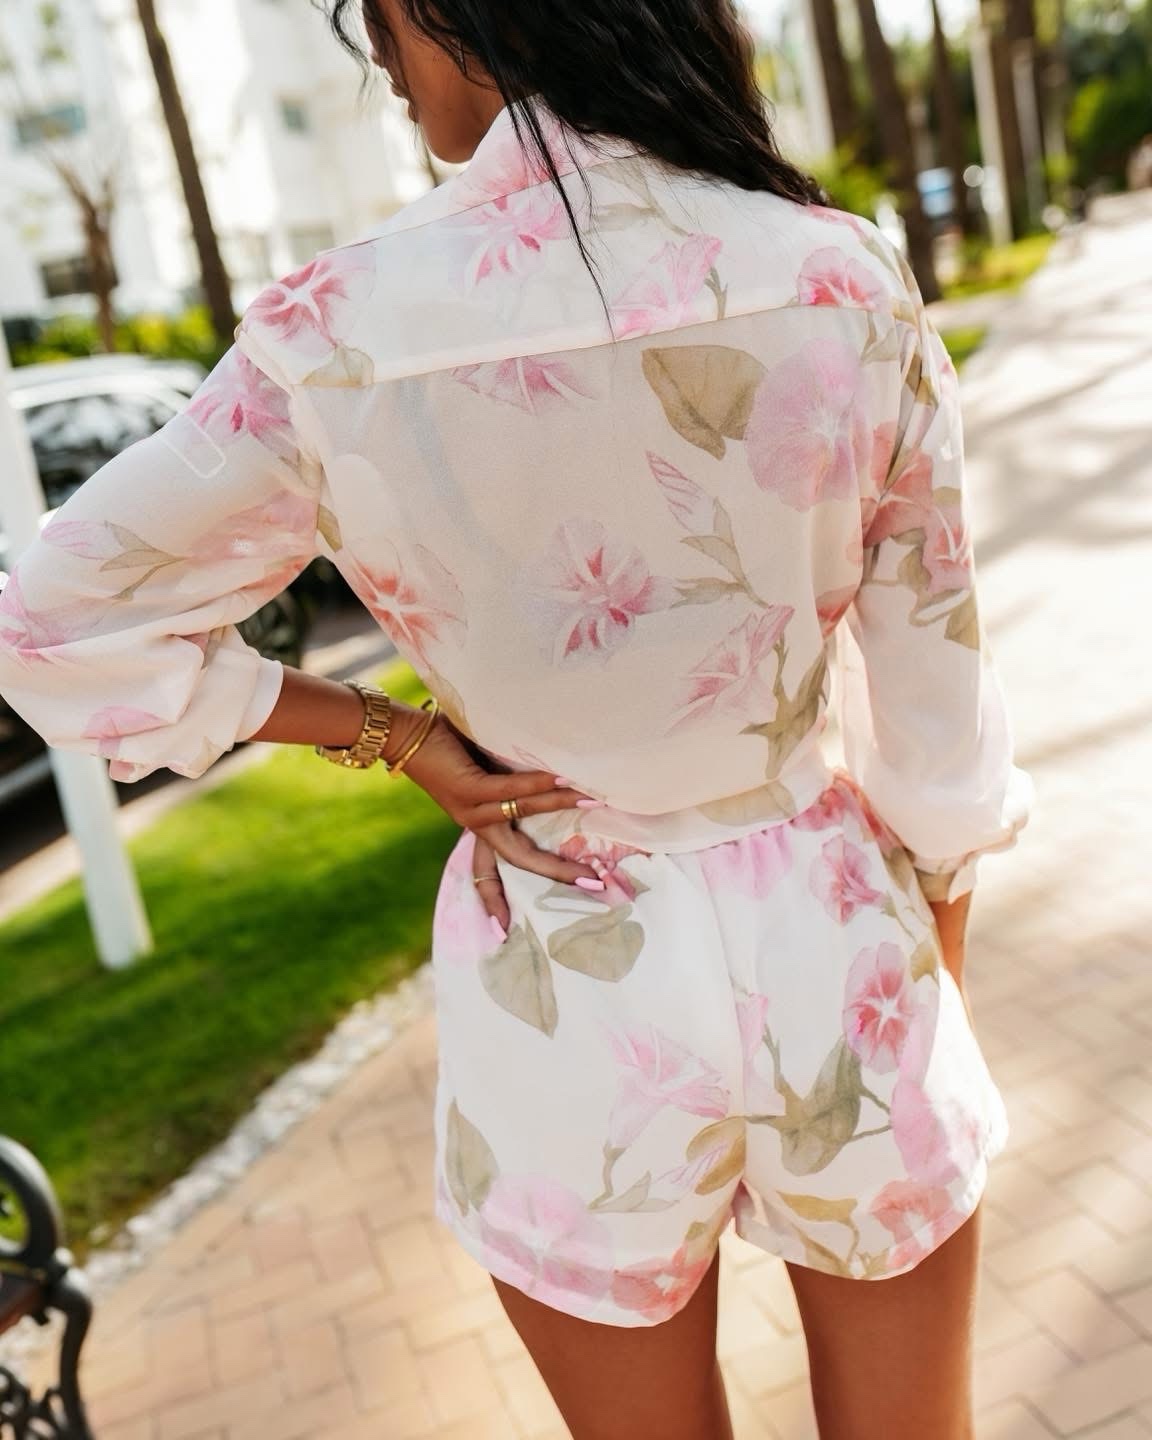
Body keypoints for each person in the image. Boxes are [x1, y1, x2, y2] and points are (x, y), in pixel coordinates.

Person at [0, 2, 1033, 1435]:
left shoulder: (335, 333)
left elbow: (49, 622)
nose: (388, 71)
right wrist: (937, 993)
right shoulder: (842, 275)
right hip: (837, 931)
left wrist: (391, 733)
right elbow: (937, 711)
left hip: (566, 962)